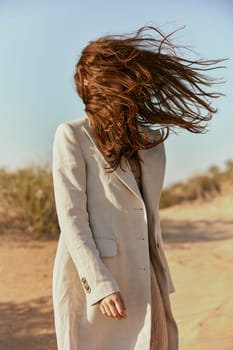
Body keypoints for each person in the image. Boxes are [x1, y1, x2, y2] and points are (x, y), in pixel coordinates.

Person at [52, 26, 224, 350]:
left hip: (147, 278)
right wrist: (100, 283)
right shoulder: (72, 136)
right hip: (101, 281)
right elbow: (72, 217)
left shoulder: (150, 144)